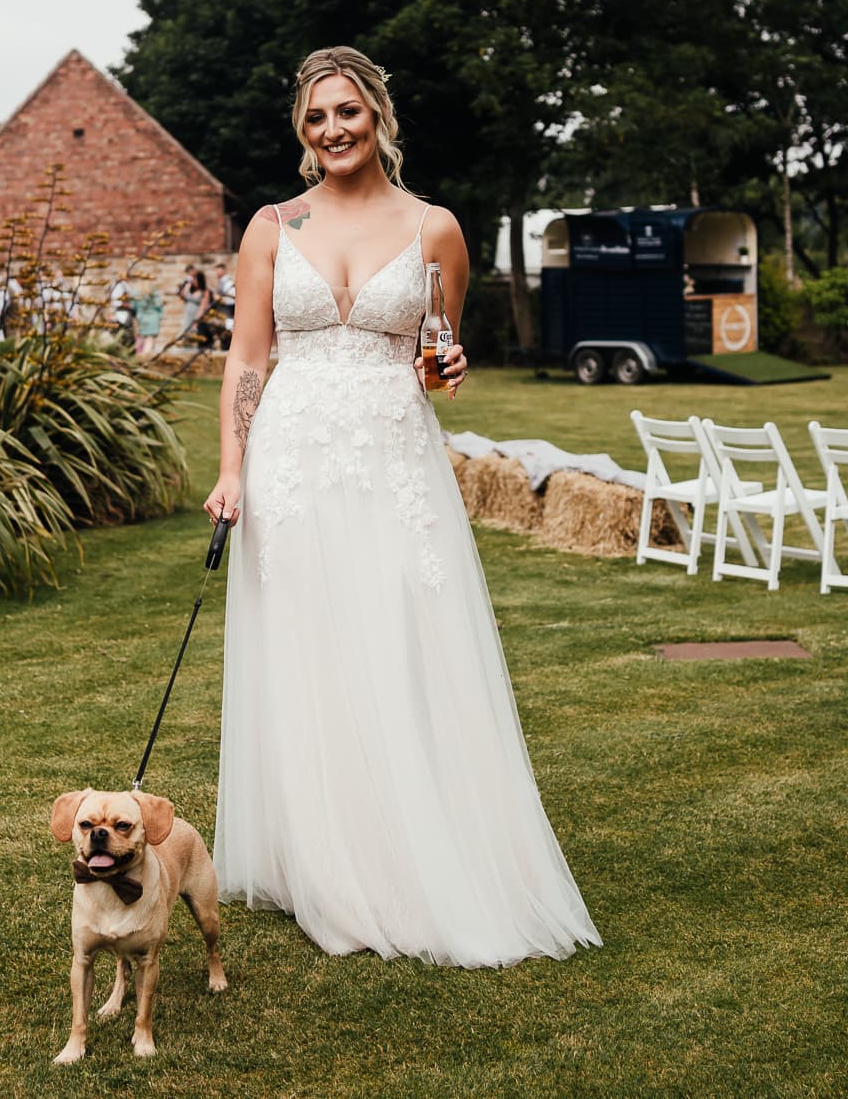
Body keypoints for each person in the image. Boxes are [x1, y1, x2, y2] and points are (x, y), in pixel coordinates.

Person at [203, 47, 600, 968]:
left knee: (397, 643)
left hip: (393, 462)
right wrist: (233, 468)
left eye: (347, 112)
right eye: (315, 119)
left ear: (378, 114)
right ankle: (324, 862)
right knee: (308, 651)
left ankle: (411, 849)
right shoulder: (271, 225)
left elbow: (436, 352)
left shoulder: (436, 228)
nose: (333, 129)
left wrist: (447, 364)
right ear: (303, 134)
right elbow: (248, 359)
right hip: (291, 463)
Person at [178, 265, 209, 346]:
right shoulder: (190, 287)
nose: (193, 281)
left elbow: (202, 307)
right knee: (185, 334)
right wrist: (187, 285)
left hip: (196, 315)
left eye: (195, 279)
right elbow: (183, 296)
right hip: (187, 314)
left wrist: (196, 321)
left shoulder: (204, 291)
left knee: (194, 337)